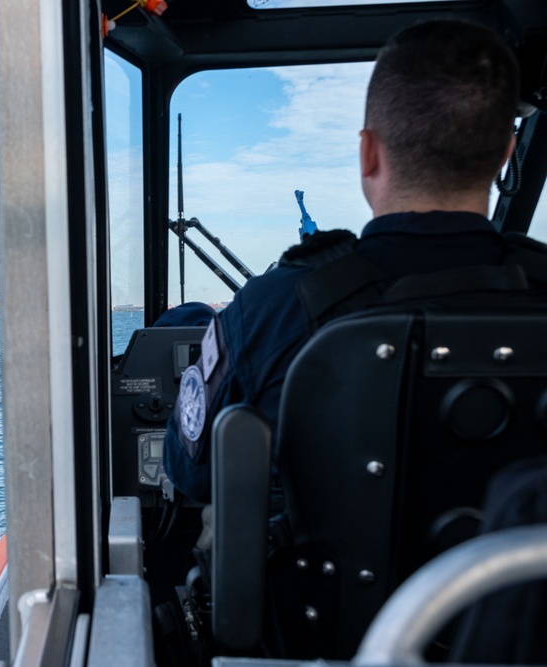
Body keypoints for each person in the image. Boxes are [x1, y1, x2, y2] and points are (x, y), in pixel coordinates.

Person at [164, 19, 525, 503]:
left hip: (323, 582)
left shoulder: (272, 311)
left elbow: (191, 475)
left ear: (368, 152)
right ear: (506, 153)